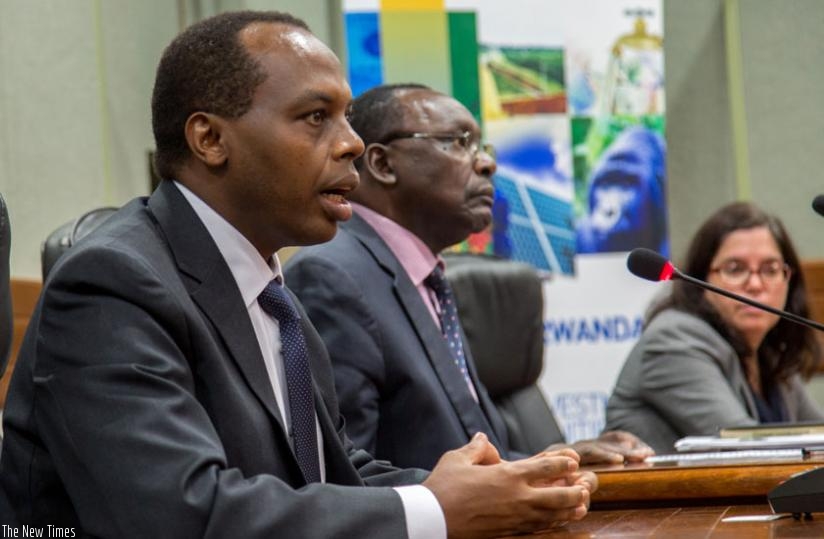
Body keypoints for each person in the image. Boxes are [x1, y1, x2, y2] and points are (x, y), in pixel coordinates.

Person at [0, 11, 596, 537]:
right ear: (209, 138)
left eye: (347, 117)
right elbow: (180, 516)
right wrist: (430, 511)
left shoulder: (272, 293)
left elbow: (330, 469)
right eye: (316, 117)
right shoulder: (113, 283)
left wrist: (504, 486)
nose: (354, 144)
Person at [285, 83, 652, 470]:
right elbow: (345, 476)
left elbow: (473, 459)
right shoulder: (332, 277)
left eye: (482, 147)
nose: (487, 164)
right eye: (459, 142)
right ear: (382, 164)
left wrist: (560, 459)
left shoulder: (426, 279)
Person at [606, 201, 824, 453]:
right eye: (735, 269)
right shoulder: (674, 341)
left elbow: (816, 433)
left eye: (770, 269)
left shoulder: (769, 350)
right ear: (701, 280)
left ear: (788, 279)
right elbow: (746, 448)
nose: (755, 284)